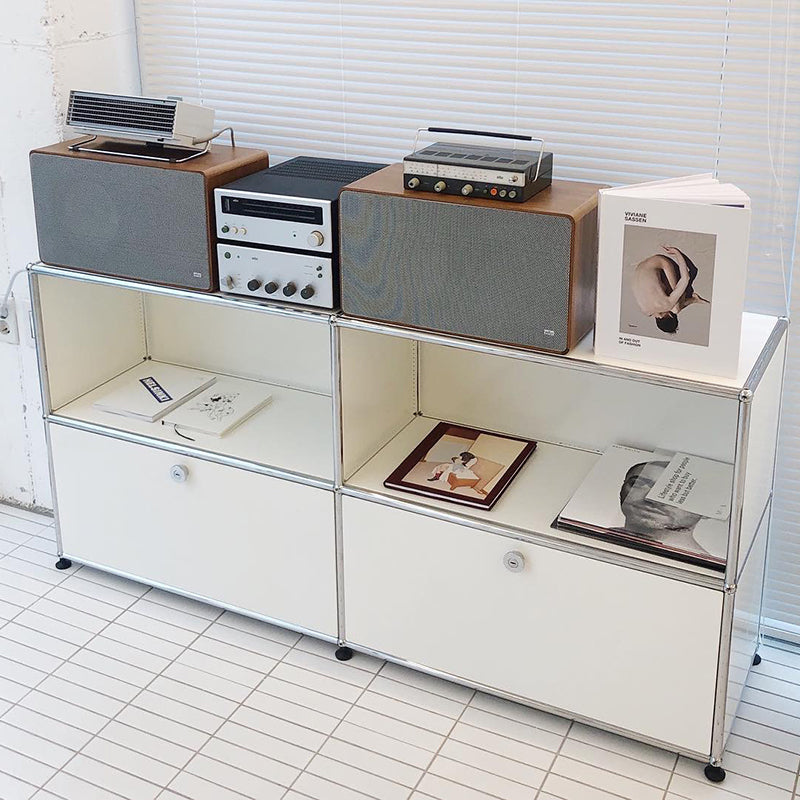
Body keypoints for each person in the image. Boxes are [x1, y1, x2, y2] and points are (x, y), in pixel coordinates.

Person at [618, 460, 710, 555]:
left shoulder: (707, 566)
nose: (653, 499)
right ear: (621, 490)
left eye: (678, 491)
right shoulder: (603, 538)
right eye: (639, 484)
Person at [631, 245, 709, 334]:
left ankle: (694, 299)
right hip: (639, 267)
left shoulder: (666, 304)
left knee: (676, 307)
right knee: (671, 302)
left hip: (659, 261)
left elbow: (686, 278)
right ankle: (694, 300)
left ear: (671, 316)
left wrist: (677, 253)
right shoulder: (646, 311)